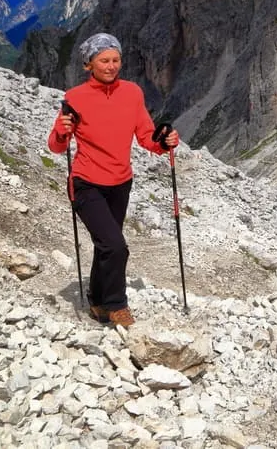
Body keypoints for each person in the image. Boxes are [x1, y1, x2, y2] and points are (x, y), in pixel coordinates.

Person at [47, 33, 179, 327]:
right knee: (116, 245)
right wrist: (60, 130)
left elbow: (145, 136)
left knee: (106, 245)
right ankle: (117, 305)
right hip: (86, 182)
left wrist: (164, 142)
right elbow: (57, 146)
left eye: (115, 60)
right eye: (103, 60)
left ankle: (96, 301)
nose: (111, 66)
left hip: (120, 182)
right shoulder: (75, 98)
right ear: (88, 64)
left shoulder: (132, 93)